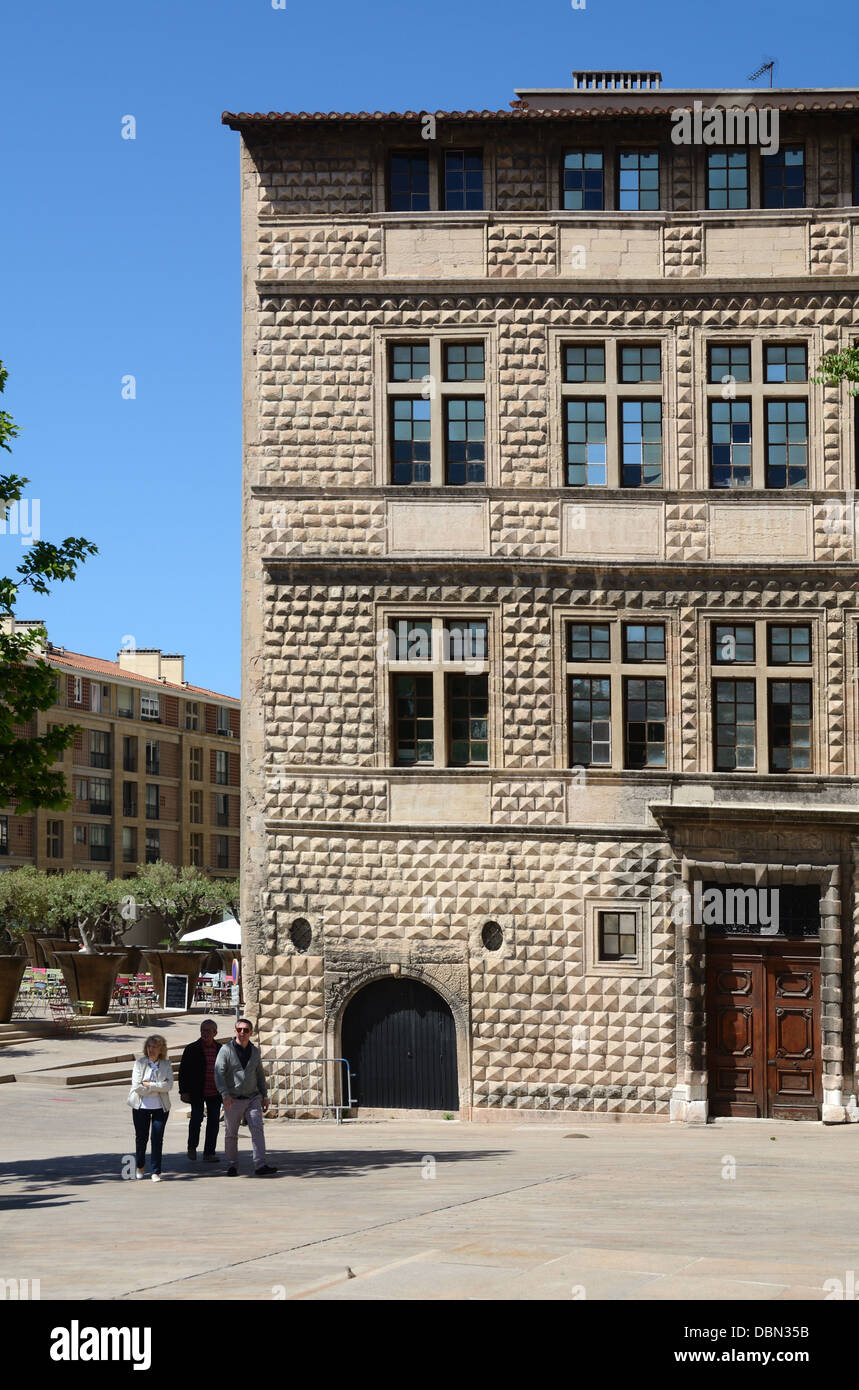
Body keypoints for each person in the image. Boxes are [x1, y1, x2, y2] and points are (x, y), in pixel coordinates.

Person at [215, 1018, 276, 1177]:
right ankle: (232, 1165)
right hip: (233, 1098)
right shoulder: (226, 1050)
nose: (242, 1033)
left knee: (257, 1129)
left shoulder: (255, 1051)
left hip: (252, 1097)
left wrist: (265, 1095)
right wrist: (224, 1094)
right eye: (239, 1029)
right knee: (231, 1133)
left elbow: (260, 1075)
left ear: (251, 1033)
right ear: (235, 1031)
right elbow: (218, 1072)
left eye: (246, 1030)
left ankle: (260, 1164)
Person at [127, 1034, 173, 1182]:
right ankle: (140, 1166)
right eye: (149, 1046)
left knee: (157, 1138)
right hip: (141, 1106)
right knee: (141, 1138)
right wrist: (158, 1087)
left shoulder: (166, 1064)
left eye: (155, 1047)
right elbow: (137, 1087)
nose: (151, 1049)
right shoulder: (139, 1063)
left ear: (161, 1050)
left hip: (160, 1107)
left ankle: (155, 1171)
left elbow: (169, 1086)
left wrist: (150, 1085)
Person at [178, 1019, 222, 1162]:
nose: (205, 1033)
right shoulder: (192, 1048)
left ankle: (209, 1153)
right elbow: (183, 1071)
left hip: (215, 1092)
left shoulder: (221, 1049)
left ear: (215, 1033)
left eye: (208, 1030)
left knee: (214, 1122)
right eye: (203, 1030)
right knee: (196, 1119)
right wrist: (183, 1091)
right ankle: (192, 1147)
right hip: (197, 1091)